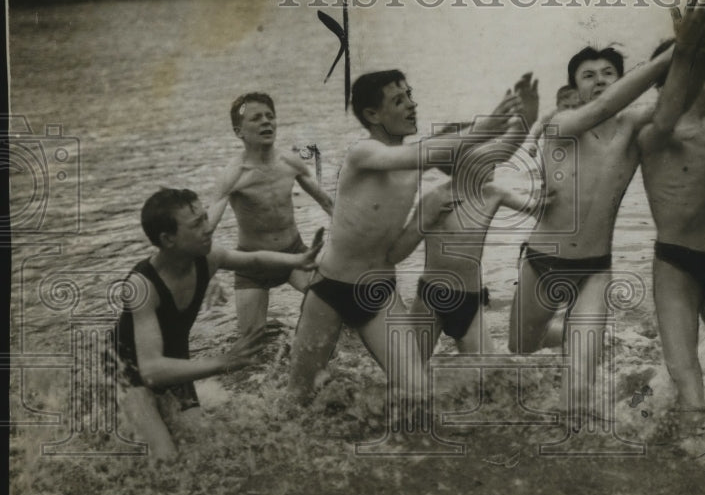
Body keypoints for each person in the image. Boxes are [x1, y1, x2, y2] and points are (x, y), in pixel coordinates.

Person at [508, 17, 705, 425]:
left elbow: (679, 98)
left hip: (594, 270)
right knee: (518, 352)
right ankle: (565, 336)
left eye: (608, 74)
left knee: (577, 392)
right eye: (588, 76)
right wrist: (678, 48)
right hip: (543, 262)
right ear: (574, 88)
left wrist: (690, 48)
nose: (599, 81)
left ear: (621, 78)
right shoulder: (561, 126)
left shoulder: (635, 128)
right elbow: (603, 107)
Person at [286, 70, 525, 406]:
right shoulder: (364, 153)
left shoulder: (416, 161)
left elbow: (476, 154)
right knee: (297, 397)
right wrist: (486, 126)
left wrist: (421, 221)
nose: (412, 105)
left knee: (417, 393)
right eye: (399, 101)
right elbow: (421, 153)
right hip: (331, 287)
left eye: (410, 95)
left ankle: (357, 406)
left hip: (378, 291)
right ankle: (331, 396)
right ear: (373, 115)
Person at [113, 188, 320, 459]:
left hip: (175, 360)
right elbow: (150, 370)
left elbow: (255, 259)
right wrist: (224, 361)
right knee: (167, 458)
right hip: (129, 374)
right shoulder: (142, 286)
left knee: (207, 446)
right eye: (197, 224)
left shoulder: (208, 258)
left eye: (205, 218)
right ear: (168, 239)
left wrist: (298, 260)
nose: (209, 228)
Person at [638, 20, 705, 420]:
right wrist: (685, 49)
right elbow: (665, 119)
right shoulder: (654, 134)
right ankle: (692, 441)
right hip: (675, 264)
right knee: (688, 384)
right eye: (684, 72)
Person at [404, 77, 543, 355]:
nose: (493, 157)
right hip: (430, 297)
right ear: (458, 163)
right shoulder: (435, 199)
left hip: (470, 300)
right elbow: (400, 246)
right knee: (408, 377)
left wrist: (528, 115)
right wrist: (423, 221)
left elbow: (536, 208)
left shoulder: (493, 193)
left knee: (490, 378)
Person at [209, 92, 333, 335]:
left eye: (270, 116)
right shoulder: (233, 175)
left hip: (295, 255)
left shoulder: (290, 162)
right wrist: (208, 274)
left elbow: (328, 203)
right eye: (256, 118)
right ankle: (276, 332)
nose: (266, 122)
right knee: (250, 345)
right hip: (253, 266)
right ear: (239, 131)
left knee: (337, 309)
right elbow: (205, 229)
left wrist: (352, 244)